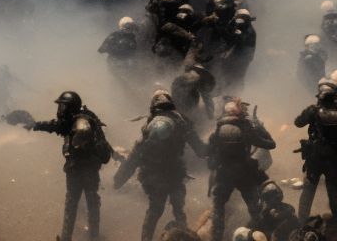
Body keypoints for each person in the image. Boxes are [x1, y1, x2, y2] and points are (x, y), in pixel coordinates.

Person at [114, 90, 206, 241]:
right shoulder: (181, 122)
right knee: (179, 211)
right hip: (174, 173)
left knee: (154, 211)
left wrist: (119, 179)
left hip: (154, 175)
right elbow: (200, 149)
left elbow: (135, 156)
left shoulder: (150, 126)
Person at [31, 91, 113, 240]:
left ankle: (68, 237)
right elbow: (55, 126)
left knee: (73, 204)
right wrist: (33, 125)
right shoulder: (77, 119)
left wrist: (78, 144)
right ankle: (93, 236)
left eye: (63, 107)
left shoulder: (80, 122)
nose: (61, 110)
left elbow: (81, 132)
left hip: (79, 170)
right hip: (88, 170)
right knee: (91, 203)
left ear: (71, 107)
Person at [207, 98, 276, 241]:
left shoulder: (218, 128)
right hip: (244, 173)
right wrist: (260, 127)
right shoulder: (245, 127)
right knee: (254, 208)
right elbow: (270, 144)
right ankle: (261, 235)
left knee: (218, 208)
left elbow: (207, 151)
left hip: (224, 174)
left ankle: (216, 237)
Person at [294, 77, 337, 221]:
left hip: (315, 158)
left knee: (308, 192)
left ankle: (301, 223)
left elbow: (298, 123)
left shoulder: (313, 111)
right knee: (334, 193)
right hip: (334, 160)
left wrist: (310, 111)